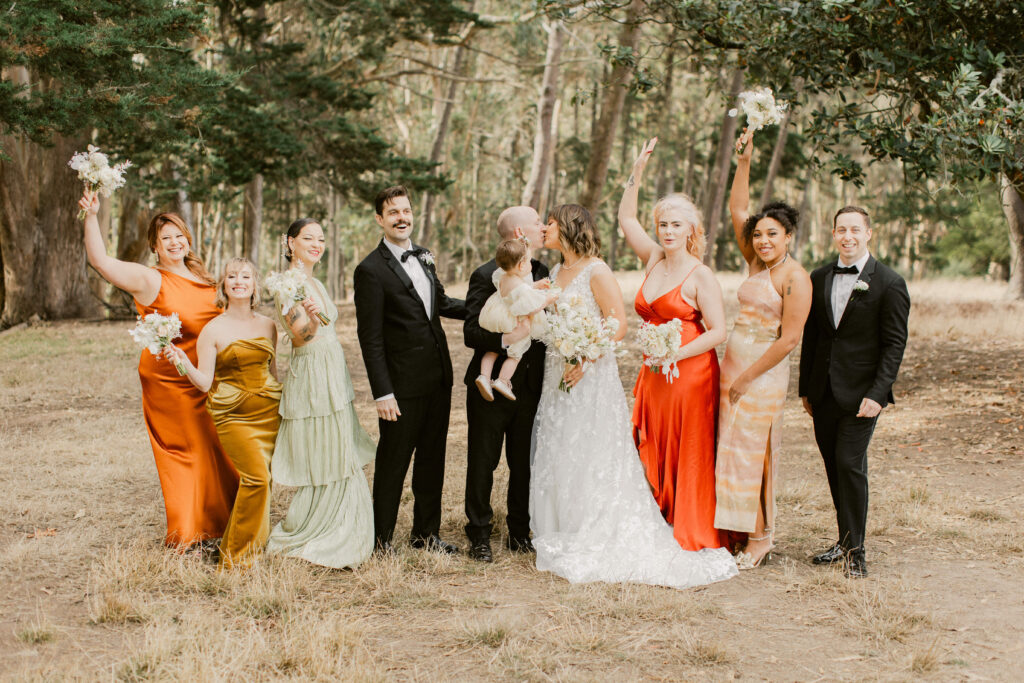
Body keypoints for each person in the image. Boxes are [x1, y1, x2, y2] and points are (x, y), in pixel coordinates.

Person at [529, 203, 737, 588]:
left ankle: (600, 522)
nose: (544, 228)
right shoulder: (556, 272)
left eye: (551, 222)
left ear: (569, 227)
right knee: (562, 443)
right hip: (560, 369)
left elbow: (617, 324)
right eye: (663, 224)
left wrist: (586, 355)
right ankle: (567, 524)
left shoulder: (598, 269)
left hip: (593, 371)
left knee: (593, 447)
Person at [78, 189, 238, 549]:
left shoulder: (205, 278)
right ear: (155, 246)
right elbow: (101, 261)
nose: (175, 242)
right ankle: (188, 534)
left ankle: (221, 523)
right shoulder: (150, 280)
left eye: (179, 235)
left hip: (207, 378)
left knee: (217, 448)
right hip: (171, 381)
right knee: (188, 451)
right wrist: (92, 216)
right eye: (166, 238)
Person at [617, 137, 729, 552]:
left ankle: (688, 522)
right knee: (656, 439)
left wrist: (675, 354)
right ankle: (657, 516)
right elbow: (626, 218)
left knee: (688, 446)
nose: (667, 232)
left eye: (676, 225)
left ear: (692, 230)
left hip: (690, 371)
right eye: (663, 224)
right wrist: (637, 171)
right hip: (653, 371)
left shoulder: (701, 275)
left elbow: (718, 331)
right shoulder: (653, 259)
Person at [715, 131, 812, 570]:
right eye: (758, 235)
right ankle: (737, 527)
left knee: (755, 451)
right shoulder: (756, 262)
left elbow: (789, 339)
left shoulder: (795, 278)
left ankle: (761, 537)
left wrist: (747, 378)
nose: (762, 240)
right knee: (731, 449)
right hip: (731, 366)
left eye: (772, 234)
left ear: (788, 235)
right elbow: (737, 209)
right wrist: (744, 162)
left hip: (761, 375)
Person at [353, 186, 467, 555]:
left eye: (406, 210)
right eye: (393, 213)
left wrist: (497, 305)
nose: (402, 218)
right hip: (400, 388)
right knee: (393, 463)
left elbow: (442, 303)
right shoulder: (369, 270)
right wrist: (382, 392)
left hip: (438, 378)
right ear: (379, 220)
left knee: (432, 460)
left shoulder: (424, 258)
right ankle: (381, 540)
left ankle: (425, 535)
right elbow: (369, 338)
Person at [799, 206, 910, 578]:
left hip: (863, 395)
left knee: (850, 463)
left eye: (855, 230)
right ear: (833, 234)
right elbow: (812, 338)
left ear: (868, 234)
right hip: (823, 393)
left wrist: (879, 394)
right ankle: (843, 540)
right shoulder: (818, 277)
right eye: (841, 230)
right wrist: (805, 389)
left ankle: (857, 551)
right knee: (834, 466)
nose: (848, 236)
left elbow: (894, 345)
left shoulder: (889, 283)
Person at [266, 218, 376, 569]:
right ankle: (320, 525)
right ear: (290, 242)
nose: (317, 244)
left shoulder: (312, 280)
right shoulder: (288, 284)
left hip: (331, 367)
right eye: (308, 238)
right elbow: (302, 337)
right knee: (324, 446)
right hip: (312, 370)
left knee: (339, 441)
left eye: (321, 239)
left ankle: (346, 519)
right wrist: (312, 320)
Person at [167, 258, 281, 569]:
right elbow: (204, 383)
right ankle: (237, 559)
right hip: (235, 416)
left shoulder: (269, 326)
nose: (239, 281)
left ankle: (244, 548)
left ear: (254, 285)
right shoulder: (212, 330)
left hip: (269, 412)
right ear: (224, 285)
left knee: (264, 482)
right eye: (232, 276)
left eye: (246, 276)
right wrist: (183, 362)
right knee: (256, 478)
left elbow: (273, 373)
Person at [463, 206, 549, 563]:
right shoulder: (486, 275)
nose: (544, 227)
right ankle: (480, 535)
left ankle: (518, 532)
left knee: (523, 463)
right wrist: (506, 339)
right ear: (519, 233)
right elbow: (471, 330)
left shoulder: (543, 271)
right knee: (483, 462)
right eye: (537, 223)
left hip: (528, 386)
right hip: (488, 386)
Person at [475, 237, 556, 402]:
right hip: (512, 319)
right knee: (516, 353)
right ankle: (503, 380)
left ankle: (484, 376)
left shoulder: (502, 275)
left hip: (494, 313)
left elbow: (518, 290)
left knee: (492, 350)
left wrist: (535, 285)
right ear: (521, 265)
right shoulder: (521, 287)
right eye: (529, 261)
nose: (531, 264)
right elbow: (530, 306)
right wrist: (547, 300)